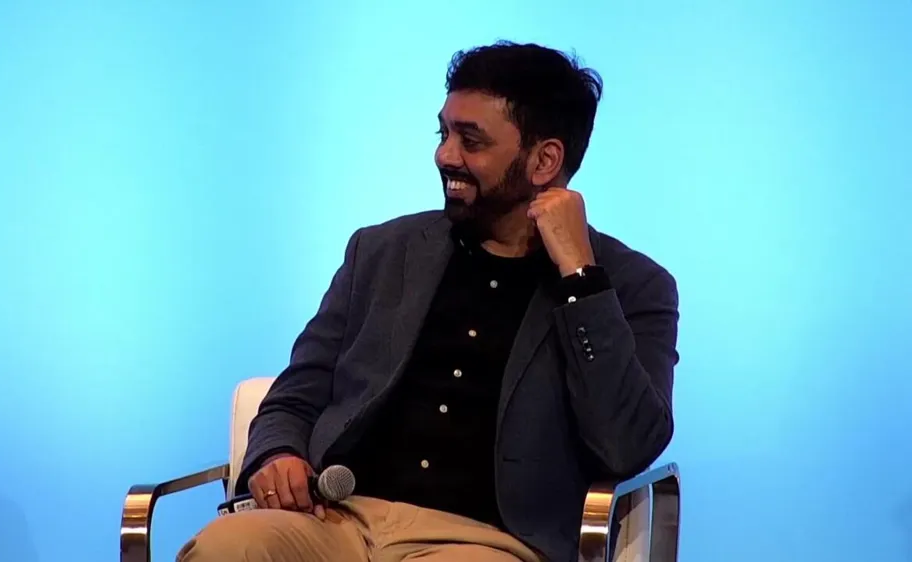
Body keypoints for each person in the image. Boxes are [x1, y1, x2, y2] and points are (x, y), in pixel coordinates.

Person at [177, 40, 679, 562]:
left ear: (544, 160)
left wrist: (580, 280)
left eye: (471, 140)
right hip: (338, 517)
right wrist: (277, 453)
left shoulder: (632, 286)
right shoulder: (381, 251)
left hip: (485, 542)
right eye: (444, 133)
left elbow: (627, 445)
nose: (445, 155)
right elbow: (296, 394)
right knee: (225, 547)